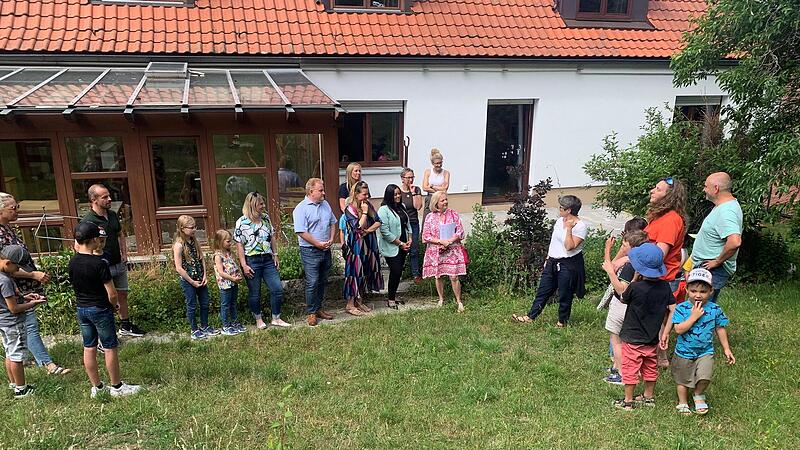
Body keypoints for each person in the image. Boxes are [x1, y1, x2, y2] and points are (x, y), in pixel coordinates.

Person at [0, 192, 71, 375]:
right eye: (13, 208)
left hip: (21, 286)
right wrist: (33, 275)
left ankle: (21, 363)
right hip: (13, 287)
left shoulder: (7, 227)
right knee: (27, 325)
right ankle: (48, 365)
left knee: (23, 328)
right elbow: (6, 266)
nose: (17, 210)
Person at [69, 222, 141, 398]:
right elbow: (112, 293)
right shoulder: (99, 263)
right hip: (100, 308)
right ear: (94, 239)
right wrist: (115, 305)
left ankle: (97, 387)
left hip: (82, 308)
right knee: (109, 347)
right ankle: (117, 387)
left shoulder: (73, 262)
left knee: (89, 347)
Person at [663, 268, 735, 415]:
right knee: (682, 379)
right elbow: (678, 329)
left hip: (705, 351)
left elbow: (720, 328)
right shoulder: (681, 308)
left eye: (703, 291)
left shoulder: (715, 309)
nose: (698, 295)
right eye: (694, 290)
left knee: (705, 376)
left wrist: (726, 349)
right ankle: (682, 402)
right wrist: (693, 317)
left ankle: (698, 395)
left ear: (710, 291)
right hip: (684, 351)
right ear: (687, 289)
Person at [613, 243, 676, 411]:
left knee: (630, 369)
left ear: (639, 268)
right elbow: (673, 309)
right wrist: (666, 333)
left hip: (632, 339)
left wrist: (633, 279)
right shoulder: (664, 287)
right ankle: (648, 397)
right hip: (652, 338)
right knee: (650, 367)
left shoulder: (635, 287)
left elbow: (623, 299)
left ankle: (628, 401)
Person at [512, 195, 587, 326]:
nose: (559, 209)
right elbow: (554, 243)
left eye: (561, 207)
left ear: (569, 210)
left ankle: (562, 322)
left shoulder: (580, 226)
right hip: (553, 261)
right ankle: (530, 316)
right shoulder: (559, 221)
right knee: (543, 290)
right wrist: (548, 258)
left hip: (568, 264)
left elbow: (569, 247)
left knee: (565, 293)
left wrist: (569, 229)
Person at [82, 184, 145, 337]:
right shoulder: (88, 221)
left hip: (118, 262)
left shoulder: (112, 214)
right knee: (105, 298)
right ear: (94, 200)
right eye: (105, 197)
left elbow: (120, 234)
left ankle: (125, 325)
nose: (109, 199)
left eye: (109, 195)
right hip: (102, 266)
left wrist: (124, 252)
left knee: (122, 294)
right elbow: (81, 245)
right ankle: (105, 332)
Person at [600, 227, 649, 385]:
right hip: (637, 305)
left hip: (622, 305)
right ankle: (623, 368)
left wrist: (611, 273)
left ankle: (622, 374)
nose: (622, 247)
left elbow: (622, 290)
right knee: (628, 341)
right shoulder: (645, 262)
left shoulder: (630, 266)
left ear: (632, 247)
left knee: (616, 340)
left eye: (624, 245)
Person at [234, 192, 290, 330]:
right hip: (251, 260)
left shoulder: (265, 218)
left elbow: (271, 237)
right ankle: (258, 319)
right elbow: (239, 245)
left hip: (267, 259)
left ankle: (276, 318)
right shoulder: (242, 222)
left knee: (277, 288)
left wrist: (275, 254)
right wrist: (244, 265)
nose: (263, 206)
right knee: (255, 292)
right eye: (261, 204)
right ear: (252, 205)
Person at [1, 245, 47, 398]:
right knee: (17, 357)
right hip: (13, 323)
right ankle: (22, 389)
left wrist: (25, 297)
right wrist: (31, 304)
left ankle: (14, 383)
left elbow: (6, 299)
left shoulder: (3, 276)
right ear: (7, 263)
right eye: (16, 267)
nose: (17, 271)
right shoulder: (5, 281)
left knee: (9, 352)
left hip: (3, 323)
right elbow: (13, 308)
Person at [691, 172, 743, 303]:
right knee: (701, 310)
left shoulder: (726, 211)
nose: (704, 189)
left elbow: (734, 242)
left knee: (701, 312)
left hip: (712, 270)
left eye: (706, 186)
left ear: (716, 188)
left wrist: (717, 261)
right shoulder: (724, 207)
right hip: (708, 268)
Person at [293, 178, 337, 327]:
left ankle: (319, 308)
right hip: (310, 250)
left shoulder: (325, 205)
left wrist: (331, 239)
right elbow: (301, 231)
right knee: (312, 282)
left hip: (325, 249)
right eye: (320, 190)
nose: (324, 192)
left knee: (323, 281)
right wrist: (317, 243)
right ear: (311, 191)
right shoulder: (301, 209)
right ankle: (311, 312)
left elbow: (332, 223)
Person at [173, 215, 220, 340]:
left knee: (205, 302)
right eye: (191, 227)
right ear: (182, 228)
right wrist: (191, 281)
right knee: (192, 304)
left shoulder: (195, 241)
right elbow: (179, 268)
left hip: (200, 278)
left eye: (195, 227)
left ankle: (204, 325)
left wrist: (205, 274)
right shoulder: (179, 245)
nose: (194, 229)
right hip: (188, 281)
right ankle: (194, 329)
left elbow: (201, 258)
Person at [341, 181, 383, 315]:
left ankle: (359, 301)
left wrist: (368, 231)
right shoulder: (349, 209)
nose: (366, 197)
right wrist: (364, 213)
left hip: (368, 245)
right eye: (364, 194)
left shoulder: (368, 205)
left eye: (367, 194)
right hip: (356, 248)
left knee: (364, 273)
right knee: (354, 273)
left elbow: (378, 221)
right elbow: (357, 228)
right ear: (356, 194)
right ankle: (350, 304)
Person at [422, 191, 467, 312]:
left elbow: (460, 232)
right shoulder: (429, 217)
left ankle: (459, 301)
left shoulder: (453, 214)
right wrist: (441, 241)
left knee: (454, 276)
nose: (445, 202)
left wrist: (450, 241)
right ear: (436, 203)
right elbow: (425, 236)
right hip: (436, 250)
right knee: (438, 275)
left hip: (452, 249)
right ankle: (441, 299)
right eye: (442, 200)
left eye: (446, 199)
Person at [378, 184, 413, 309]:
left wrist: (409, 239)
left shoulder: (402, 206)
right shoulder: (383, 210)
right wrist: (400, 243)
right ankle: (390, 299)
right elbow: (384, 231)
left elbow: (407, 225)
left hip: (404, 244)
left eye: (399, 193)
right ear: (389, 196)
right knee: (395, 271)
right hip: (392, 246)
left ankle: (393, 295)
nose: (398, 196)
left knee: (399, 273)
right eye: (395, 194)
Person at [212, 229, 245, 335]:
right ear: (220, 242)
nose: (230, 243)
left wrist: (237, 275)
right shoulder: (218, 255)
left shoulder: (229, 253)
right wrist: (232, 278)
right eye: (228, 241)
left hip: (233, 282)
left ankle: (234, 322)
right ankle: (225, 325)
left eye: (231, 241)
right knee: (225, 304)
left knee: (233, 303)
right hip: (225, 284)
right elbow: (221, 272)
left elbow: (232, 266)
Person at [399, 168, 423, 284]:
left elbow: (417, 206)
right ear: (402, 179)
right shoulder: (398, 191)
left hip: (413, 222)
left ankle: (415, 274)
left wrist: (413, 192)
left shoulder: (416, 189)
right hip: (401, 224)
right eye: (408, 177)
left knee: (414, 249)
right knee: (401, 248)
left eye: (412, 177)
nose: (410, 179)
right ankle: (399, 272)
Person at [421, 148, 450, 219]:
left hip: (441, 199)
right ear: (432, 163)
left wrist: (432, 186)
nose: (439, 165)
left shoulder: (446, 173)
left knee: (440, 219)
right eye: (437, 163)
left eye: (440, 163)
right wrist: (439, 189)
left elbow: (445, 188)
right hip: (430, 198)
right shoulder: (428, 172)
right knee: (427, 219)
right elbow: (425, 187)